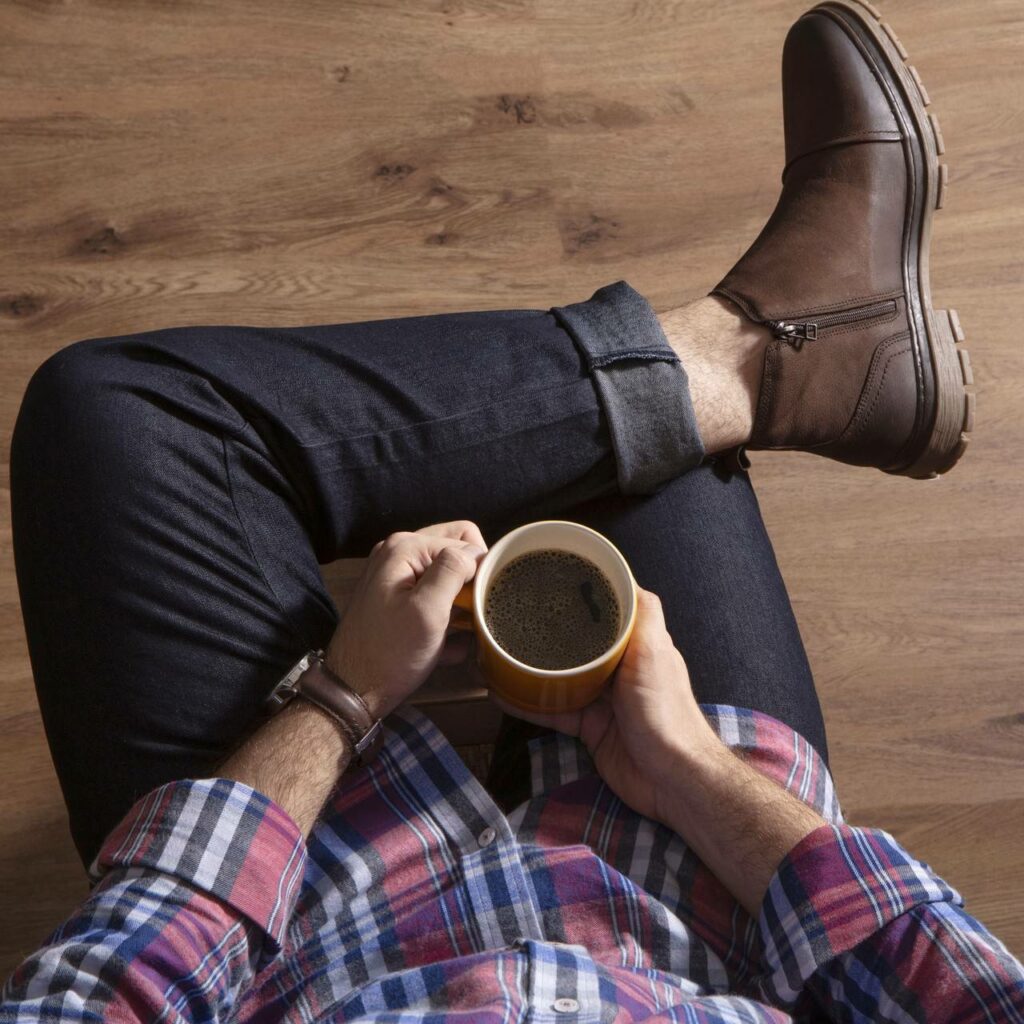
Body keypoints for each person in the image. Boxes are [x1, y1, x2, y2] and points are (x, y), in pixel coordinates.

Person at [3, 1, 1021, 1020]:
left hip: (303, 912)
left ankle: (762, 360)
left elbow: (101, 994)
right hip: (706, 898)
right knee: (642, 458)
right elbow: (942, 979)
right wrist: (688, 769)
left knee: (114, 415)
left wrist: (343, 698)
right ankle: (758, 361)